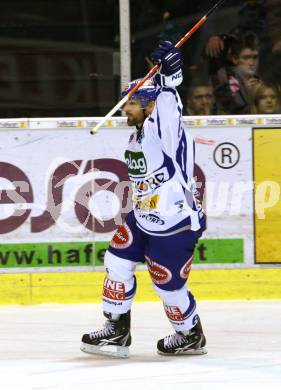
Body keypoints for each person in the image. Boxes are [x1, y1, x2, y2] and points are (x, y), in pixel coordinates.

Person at [80, 41, 207, 358]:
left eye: (131, 103)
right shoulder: (136, 133)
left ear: (149, 106)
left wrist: (169, 78)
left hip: (174, 223)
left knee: (168, 287)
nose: (125, 108)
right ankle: (117, 331)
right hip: (142, 216)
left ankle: (190, 333)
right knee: (116, 261)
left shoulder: (161, 130)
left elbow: (169, 109)